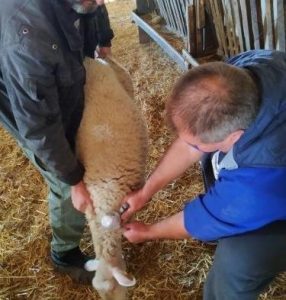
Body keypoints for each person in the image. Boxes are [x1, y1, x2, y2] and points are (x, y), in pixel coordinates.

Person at [121, 50, 286, 300]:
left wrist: (148, 232)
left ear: (235, 137)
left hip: (275, 192)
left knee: (236, 263)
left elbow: (208, 216)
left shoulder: (259, 176)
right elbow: (190, 145)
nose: (192, 148)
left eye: (197, 146)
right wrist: (145, 193)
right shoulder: (241, 73)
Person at [0, 0, 113, 283]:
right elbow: (39, 126)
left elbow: (91, 9)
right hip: (24, 103)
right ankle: (64, 253)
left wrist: (103, 36)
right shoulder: (27, 39)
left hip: (57, 74)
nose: (101, 2)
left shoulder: (83, 2)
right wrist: (74, 181)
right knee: (64, 181)